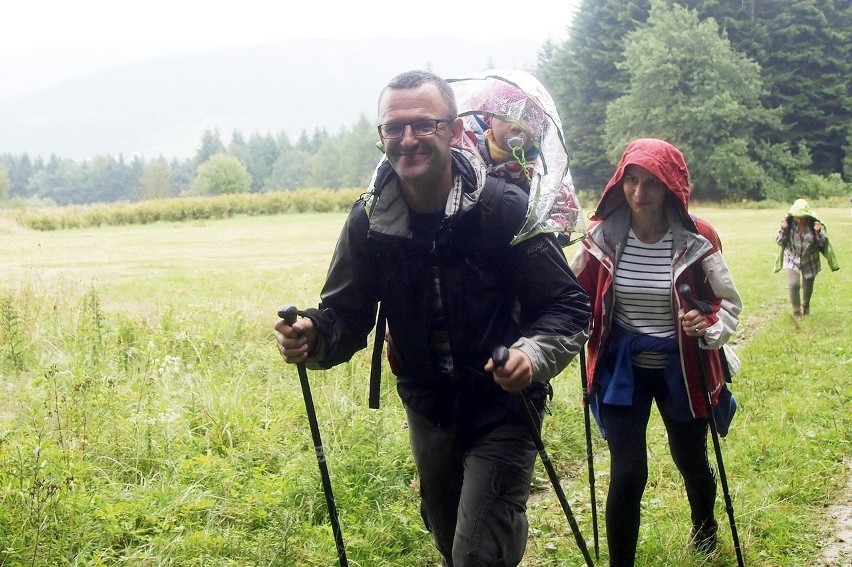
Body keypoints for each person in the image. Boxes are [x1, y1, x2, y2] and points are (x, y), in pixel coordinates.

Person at [274, 70, 591, 567]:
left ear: (451, 129)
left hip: (504, 407)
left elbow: (569, 307)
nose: (408, 140)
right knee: (449, 541)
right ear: (380, 136)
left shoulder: (503, 209)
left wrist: (531, 356)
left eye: (424, 125)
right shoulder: (370, 221)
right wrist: (313, 335)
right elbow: (345, 315)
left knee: (477, 556)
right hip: (428, 407)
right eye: (394, 128)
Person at [569, 138, 743, 566]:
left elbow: (727, 302)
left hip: (682, 369)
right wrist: (579, 321)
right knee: (628, 472)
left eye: (652, 183)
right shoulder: (602, 236)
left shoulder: (698, 237)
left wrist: (705, 322)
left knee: (690, 459)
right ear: (619, 182)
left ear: (671, 188)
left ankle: (705, 526)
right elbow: (576, 298)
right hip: (622, 369)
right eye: (631, 180)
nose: (639, 193)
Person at [773, 198, 839, 319]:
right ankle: (797, 311)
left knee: (807, 287)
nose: (799, 220)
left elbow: (822, 244)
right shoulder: (788, 224)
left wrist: (819, 232)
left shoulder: (814, 224)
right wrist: (783, 230)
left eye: (802, 217)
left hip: (810, 260)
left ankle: (806, 305)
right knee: (793, 284)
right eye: (796, 217)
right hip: (792, 257)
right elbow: (778, 241)